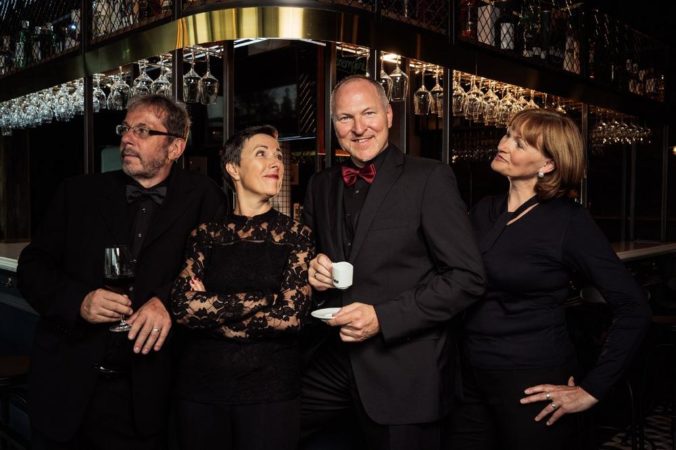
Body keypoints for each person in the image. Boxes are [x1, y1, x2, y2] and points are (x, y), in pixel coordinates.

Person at [17, 94, 227, 450]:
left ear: (175, 147)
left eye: (143, 131)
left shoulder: (204, 197)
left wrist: (167, 302)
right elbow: (32, 268)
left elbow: (216, 271)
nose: (127, 138)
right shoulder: (77, 193)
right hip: (67, 386)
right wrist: (79, 301)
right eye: (126, 129)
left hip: (146, 398)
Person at [301, 74, 486, 450]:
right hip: (331, 363)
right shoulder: (320, 185)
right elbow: (309, 256)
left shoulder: (429, 178)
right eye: (345, 117)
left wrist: (383, 318)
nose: (358, 128)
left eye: (368, 113)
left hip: (404, 371)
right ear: (334, 125)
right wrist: (313, 271)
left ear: (388, 115)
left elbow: (466, 277)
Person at [449, 108, 651, 450]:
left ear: (548, 164)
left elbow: (634, 307)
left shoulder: (568, 221)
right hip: (468, 376)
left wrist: (592, 389)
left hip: (531, 382)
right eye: (508, 135)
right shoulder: (484, 209)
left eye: (520, 144)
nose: (503, 145)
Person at [170, 125, 314, 450]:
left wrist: (211, 310)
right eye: (261, 154)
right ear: (233, 169)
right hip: (200, 390)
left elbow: (290, 318)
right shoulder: (204, 235)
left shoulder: (296, 235)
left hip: (271, 391)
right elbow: (182, 307)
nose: (276, 162)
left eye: (278, 156)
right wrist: (266, 298)